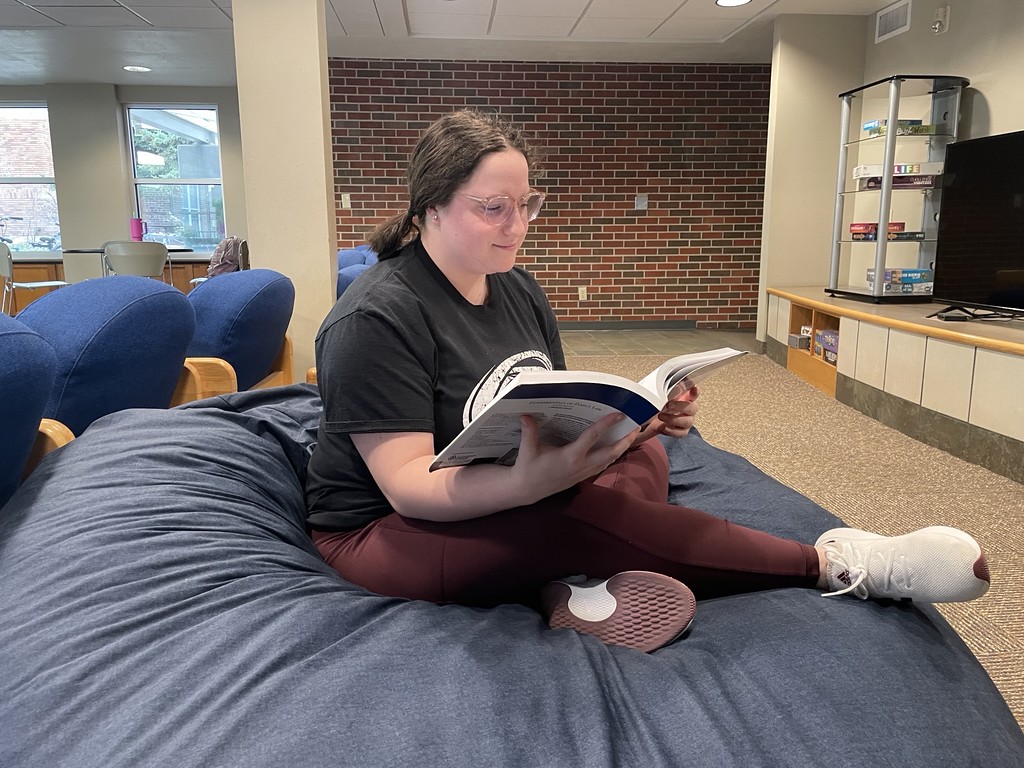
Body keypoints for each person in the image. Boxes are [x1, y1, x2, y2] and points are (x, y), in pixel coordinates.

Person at [305, 109, 990, 652]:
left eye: (527, 204)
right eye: (494, 208)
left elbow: (545, 406)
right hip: (384, 531)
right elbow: (411, 488)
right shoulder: (375, 318)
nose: (518, 227)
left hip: (498, 485)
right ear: (429, 206)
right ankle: (841, 564)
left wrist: (639, 419)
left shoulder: (516, 288)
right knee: (579, 511)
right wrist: (533, 485)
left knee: (645, 453)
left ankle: (573, 589)